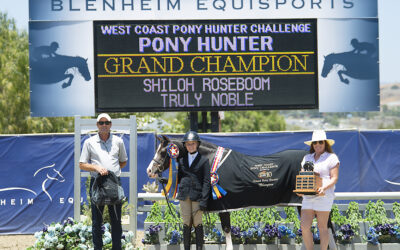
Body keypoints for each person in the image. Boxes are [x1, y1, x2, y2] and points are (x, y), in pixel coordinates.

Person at [79, 113, 128, 250]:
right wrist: (96, 167)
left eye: (107, 122)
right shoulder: (89, 142)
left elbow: (123, 162)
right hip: (97, 184)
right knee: (96, 221)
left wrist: (112, 172)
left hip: (114, 183)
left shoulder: (119, 141)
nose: (104, 125)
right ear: (97, 125)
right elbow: (82, 164)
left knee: (116, 221)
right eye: (101, 123)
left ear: (111, 124)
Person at [300, 130, 340, 250]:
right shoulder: (307, 157)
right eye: (315, 142)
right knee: (304, 226)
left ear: (325, 143)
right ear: (312, 144)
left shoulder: (332, 157)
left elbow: (334, 178)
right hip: (308, 196)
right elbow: (303, 175)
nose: (317, 144)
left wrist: (323, 188)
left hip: (324, 195)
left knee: (322, 227)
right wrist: (301, 189)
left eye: (320, 142)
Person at [176, 131, 211, 250]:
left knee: (197, 223)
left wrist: (204, 200)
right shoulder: (181, 160)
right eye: (188, 144)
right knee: (186, 223)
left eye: (193, 143)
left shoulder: (204, 160)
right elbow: (179, 178)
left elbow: (207, 181)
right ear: (185, 145)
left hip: (197, 196)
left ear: (197, 144)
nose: (190, 146)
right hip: (184, 195)